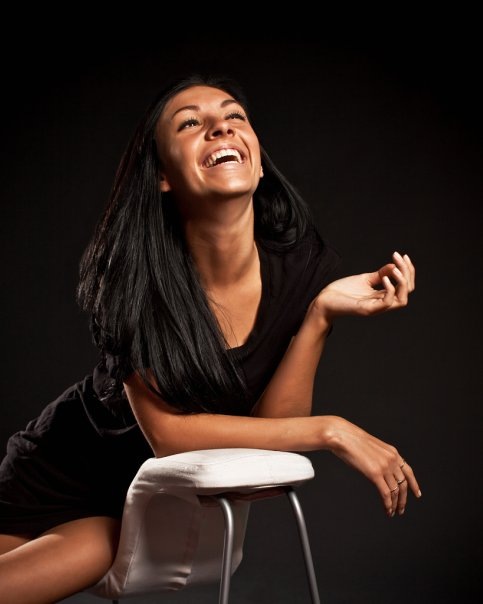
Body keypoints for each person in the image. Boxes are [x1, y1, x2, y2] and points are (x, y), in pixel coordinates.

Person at [0, 74, 421, 602]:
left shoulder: (299, 271)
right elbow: (168, 435)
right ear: (162, 177)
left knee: (96, 547)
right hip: (56, 475)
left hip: (132, 509)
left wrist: (319, 317)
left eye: (234, 116)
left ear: (259, 162)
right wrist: (332, 430)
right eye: (191, 124)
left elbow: (268, 439)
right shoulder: (134, 279)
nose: (221, 127)